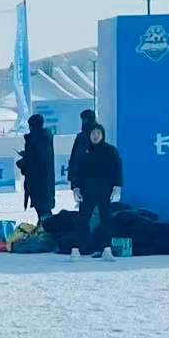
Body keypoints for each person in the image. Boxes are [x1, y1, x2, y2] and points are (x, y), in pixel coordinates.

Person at [70, 124, 123, 259]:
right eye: (93, 133)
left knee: (106, 221)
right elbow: (77, 172)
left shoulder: (110, 151)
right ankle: (80, 249)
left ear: (103, 135)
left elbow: (117, 170)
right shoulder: (83, 152)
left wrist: (117, 188)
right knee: (83, 221)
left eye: (98, 133)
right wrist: (75, 188)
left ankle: (106, 248)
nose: (96, 136)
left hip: (105, 192)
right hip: (87, 192)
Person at [17, 114, 56, 221]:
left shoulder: (34, 140)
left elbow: (35, 160)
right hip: (45, 180)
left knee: (43, 210)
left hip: (37, 180)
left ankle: (46, 232)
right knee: (44, 208)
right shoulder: (45, 137)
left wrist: (23, 162)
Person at [67, 108, 98, 193]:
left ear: (85, 120)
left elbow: (76, 156)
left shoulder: (82, 136)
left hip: (83, 174)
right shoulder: (99, 133)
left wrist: (72, 175)